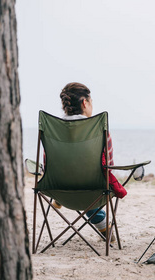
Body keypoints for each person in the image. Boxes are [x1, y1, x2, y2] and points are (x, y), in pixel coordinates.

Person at [53, 82, 127, 241]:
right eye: (91, 101)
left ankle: (59, 200)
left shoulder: (53, 128)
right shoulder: (98, 129)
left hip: (58, 189)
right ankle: (102, 222)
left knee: (76, 177)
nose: (92, 105)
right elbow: (109, 165)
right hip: (92, 192)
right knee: (91, 183)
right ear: (84, 103)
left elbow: (47, 165)